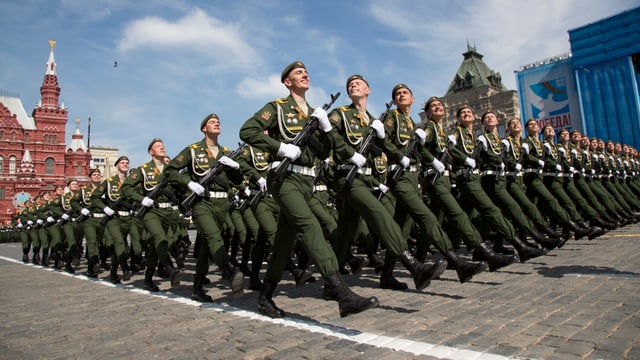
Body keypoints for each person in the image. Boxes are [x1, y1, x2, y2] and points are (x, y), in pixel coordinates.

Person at [239, 62, 379, 318]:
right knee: (310, 227)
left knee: (283, 242)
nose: (304, 75)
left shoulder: (315, 113)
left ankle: (265, 297)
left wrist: (325, 129)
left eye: (306, 72)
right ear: (287, 82)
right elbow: (247, 130)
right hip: (285, 180)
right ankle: (341, 293)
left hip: (307, 182)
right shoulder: (278, 108)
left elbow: (324, 152)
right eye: (297, 74)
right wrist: (279, 148)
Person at [420, 97, 518, 272]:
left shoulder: (441, 130)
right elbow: (421, 148)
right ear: (427, 113)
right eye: (433, 106)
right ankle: (489, 253)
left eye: (439, 105)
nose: (438, 107)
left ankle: (419, 256)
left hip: (445, 177)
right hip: (435, 177)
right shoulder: (430, 128)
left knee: (434, 219)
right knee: (459, 215)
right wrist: (434, 161)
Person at [164, 114, 245, 302]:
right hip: (202, 203)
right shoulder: (193, 150)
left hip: (222, 204)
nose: (217, 123)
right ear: (204, 129)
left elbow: (238, 181)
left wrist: (235, 167)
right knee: (213, 237)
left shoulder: (227, 152)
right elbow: (170, 171)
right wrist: (188, 183)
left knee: (208, 248)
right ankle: (229, 271)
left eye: (218, 122)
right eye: (212, 122)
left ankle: (197, 287)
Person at [449, 106, 546, 262]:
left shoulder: (473, 136)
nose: (466, 114)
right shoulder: (459, 133)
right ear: (458, 119)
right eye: (462, 113)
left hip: (477, 178)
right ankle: (522, 245)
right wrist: (466, 159)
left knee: (466, 216)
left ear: (474, 118)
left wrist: (498, 161)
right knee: (492, 210)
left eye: (469, 112)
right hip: (469, 178)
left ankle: (459, 252)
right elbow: (450, 147)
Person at [477, 111, 561, 249]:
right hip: (494, 178)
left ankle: (499, 243)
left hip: (510, 178)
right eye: (486, 117)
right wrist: (500, 161)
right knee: (513, 208)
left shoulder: (501, 140)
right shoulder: (489, 139)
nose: (490, 118)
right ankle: (541, 236)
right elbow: (482, 157)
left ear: (498, 121)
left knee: (502, 212)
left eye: (492, 116)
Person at [122, 138, 184, 292]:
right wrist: (142, 199)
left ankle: (148, 279)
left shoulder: (171, 170)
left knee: (157, 248)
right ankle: (170, 269)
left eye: (163, 145)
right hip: (151, 211)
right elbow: (127, 188)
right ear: (151, 152)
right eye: (158, 146)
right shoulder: (143, 170)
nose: (162, 147)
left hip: (168, 211)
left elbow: (179, 189)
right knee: (160, 239)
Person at [91, 156, 136, 284]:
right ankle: (125, 268)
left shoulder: (131, 181)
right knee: (119, 242)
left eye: (127, 163)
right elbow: (95, 197)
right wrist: (105, 208)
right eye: (122, 163)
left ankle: (113, 273)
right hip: (114, 218)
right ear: (117, 166)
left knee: (119, 246)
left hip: (128, 217)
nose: (125, 164)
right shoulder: (109, 182)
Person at [71, 169, 105, 277]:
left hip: (103, 219)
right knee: (92, 242)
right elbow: (73, 201)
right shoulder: (84, 190)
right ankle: (93, 264)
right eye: (94, 175)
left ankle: (93, 265)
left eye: (98, 175)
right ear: (90, 177)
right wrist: (81, 209)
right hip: (89, 219)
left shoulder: (105, 189)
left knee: (100, 243)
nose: (96, 176)